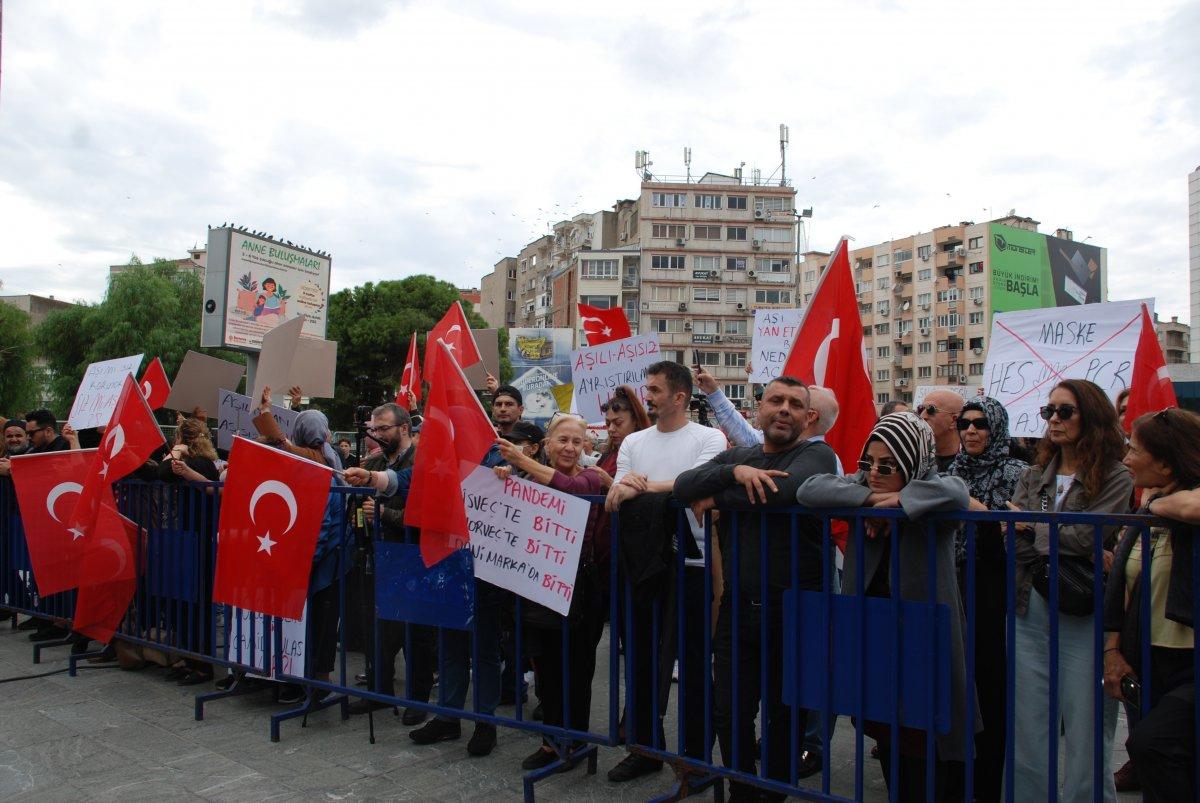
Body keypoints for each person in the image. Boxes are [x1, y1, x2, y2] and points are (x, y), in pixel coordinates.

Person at [797, 412, 975, 801]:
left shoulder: (930, 496)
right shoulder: (865, 491)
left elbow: (957, 492)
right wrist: (873, 499)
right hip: (876, 636)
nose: (873, 471)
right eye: (867, 463)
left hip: (921, 641)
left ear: (911, 462)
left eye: (887, 465)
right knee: (888, 734)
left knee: (925, 742)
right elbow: (810, 489)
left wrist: (903, 502)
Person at [675, 376, 837, 800]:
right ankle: (742, 791)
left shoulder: (817, 453)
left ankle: (773, 794)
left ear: (808, 416)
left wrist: (720, 496)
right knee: (730, 710)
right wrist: (734, 471)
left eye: (795, 404)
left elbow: (781, 492)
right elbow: (683, 486)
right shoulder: (740, 453)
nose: (785, 409)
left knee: (785, 716)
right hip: (738, 606)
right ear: (759, 408)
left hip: (794, 610)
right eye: (776, 401)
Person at [1009, 378, 1132, 803]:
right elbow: (1014, 538)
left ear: (1092, 417)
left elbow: (1090, 537)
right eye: (1049, 412)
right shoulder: (1032, 474)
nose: (1054, 420)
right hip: (1030, 601)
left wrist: (1033, 527)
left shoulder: (1117, 475)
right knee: (1027, 718)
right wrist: (1045, 533)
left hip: (1085, 608)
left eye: (1065, 411)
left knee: (1088, 720)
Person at [604, 361, 726, 782]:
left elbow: (700, 484)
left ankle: (695, 760)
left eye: (655, 389)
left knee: (692, 666)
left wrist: (650, 486)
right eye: (647, 388)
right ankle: (644, 748)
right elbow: (617, 493)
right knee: (640, 660)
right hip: (643, 566)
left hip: (691, 566)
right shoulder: (635, 441)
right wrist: (668, 487)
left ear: (679, 396)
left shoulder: (709, 436)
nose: (648, 396)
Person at [345, 444, 509, 757]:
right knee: (448, 646)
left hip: (485, 569)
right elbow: (409, 478)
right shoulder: (441, 450)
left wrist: (510, 473)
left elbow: (520, 483)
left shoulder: (495, 450)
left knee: (484, 649)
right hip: (446, 564)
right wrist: (371, 475)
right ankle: (448, 717)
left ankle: (485, 722)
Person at [495, 413, 606, 772]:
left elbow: (571, 489)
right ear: (547, 444)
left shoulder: (592, 477)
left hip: (580, 591)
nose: (570, 447)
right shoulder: (529, 478)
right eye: (563, 440)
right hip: (540, 587)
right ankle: (551, 740)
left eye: (577, 441)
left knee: (576, 668)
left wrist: (520, 461)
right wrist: (504, 479)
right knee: (544, 666)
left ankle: (574, 740)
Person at [1103, 408, 1199, 802]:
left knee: (1151, 743)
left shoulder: (1166, 508)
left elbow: (1194, 508)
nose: (1126, 459)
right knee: (1163, 759)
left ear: (1165, 460)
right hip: (1150, 659)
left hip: (1192, 660)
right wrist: (1112, 651)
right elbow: (1119, 590)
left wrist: (1157, 505)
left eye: (1135, 449)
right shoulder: (1143, 513)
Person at [946, 397, 1028, 801]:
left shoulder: (1019, 473)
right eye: (965, 423)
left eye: (981, 424)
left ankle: (987, 785)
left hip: (995, 590)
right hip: (953, 581)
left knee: (989, 686)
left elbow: (1024, 528)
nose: (972, 430)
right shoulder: (952, 470)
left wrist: (978, 510)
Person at [347, 404, 432, 725]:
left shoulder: (419, 460)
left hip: (411, 556)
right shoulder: (377, 461)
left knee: (415, 632)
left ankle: (419, 699)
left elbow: (425, 511)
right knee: (378, 629)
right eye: (375, 429)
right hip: (377, 554)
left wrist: (385, 515)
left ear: (404, 428)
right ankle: (379, 691)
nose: (377, 435)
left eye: (384, 429)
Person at [917, 391, 964, 471]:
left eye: (930, 410)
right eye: (921, 409)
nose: (922, 416)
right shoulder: (915, 461)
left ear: (954, 420)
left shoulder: (970, 465)